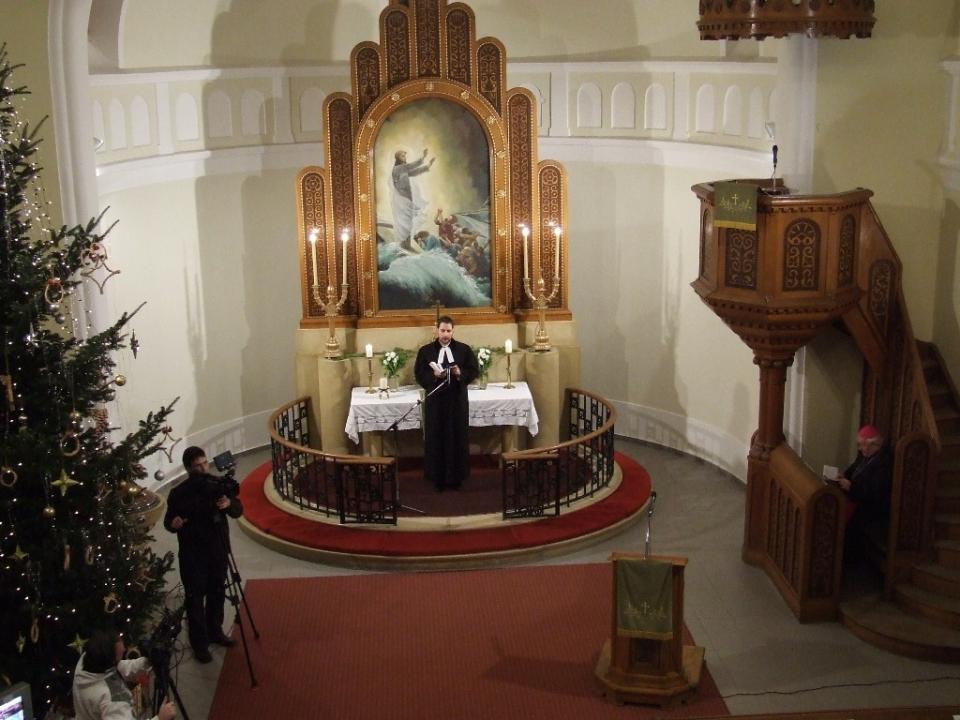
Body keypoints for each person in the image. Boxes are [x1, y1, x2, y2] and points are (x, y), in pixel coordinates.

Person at [163, 447, 242, 664]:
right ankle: (200, 644)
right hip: (193, 555)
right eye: (198, 465)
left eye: (205, 463)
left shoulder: (217, 485)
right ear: (189, 469)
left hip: (217, 550)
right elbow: (169, 521)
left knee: (217, 592)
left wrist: (229, 504)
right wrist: (173, 523)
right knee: (195, 599)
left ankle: (215, 631)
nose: (204, 468)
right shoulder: (178, 493)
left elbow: (238, 510)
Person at [414, 315, 479, 491]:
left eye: (448, 331)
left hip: (456, 401)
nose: (445, 334)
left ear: (453, 331)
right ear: (437, 330)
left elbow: (474, 370)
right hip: (436, 402)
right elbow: (419, 374)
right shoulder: (426, 351)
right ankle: (438, 477)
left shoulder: (464, 349)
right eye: (442, 330)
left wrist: (460, 373)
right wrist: (433, 375)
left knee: (457, 436)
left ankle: (457, 477)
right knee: (436, 436)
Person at [72, 629, 177, 720]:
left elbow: (120, 667)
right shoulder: (113, 699)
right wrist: (160, 718)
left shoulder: (86, 660)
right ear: (110, 663)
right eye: (119, 657)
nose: (124, 649)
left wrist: (147, 662)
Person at [836, 424, 893, 561]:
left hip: (870, 507)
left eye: (863, 445)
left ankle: (846, 561)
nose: (861, 449)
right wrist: (843, 476)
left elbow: (875, 493)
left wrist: (851, 487)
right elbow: (853, 470)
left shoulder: (884, 462)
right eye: (860, 445)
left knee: (843, 522)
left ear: (874, 445)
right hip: (856, 499)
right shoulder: (864, 455)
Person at [391, 148, 435, 247]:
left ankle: (407, 243)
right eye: (402, 156)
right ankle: (403, 243)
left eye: (405, 156)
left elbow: (416, 171)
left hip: (407, 198)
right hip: (401, 199)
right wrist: (423, 157)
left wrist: (429, 165)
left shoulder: (403, 170)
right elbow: (410, 166)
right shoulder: (398, 168)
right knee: (404, 221)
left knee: (408, 221)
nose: (405, 157)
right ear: (398, 158)